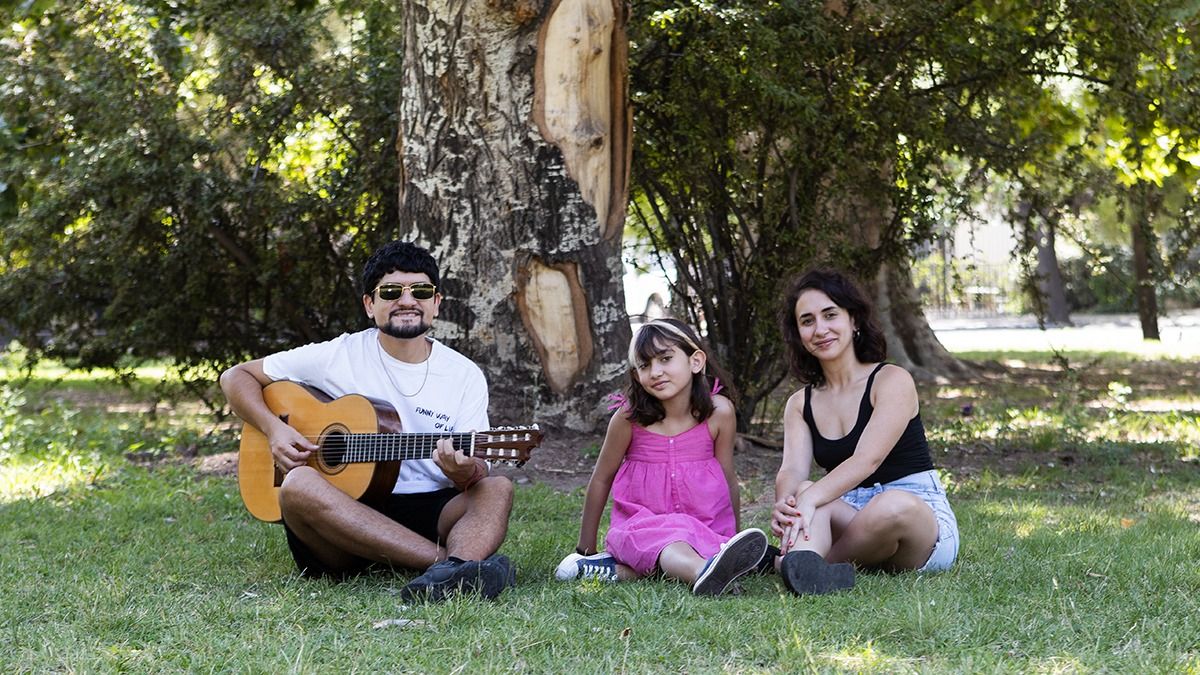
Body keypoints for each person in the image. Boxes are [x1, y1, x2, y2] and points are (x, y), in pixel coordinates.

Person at [220, 241, 515, 601]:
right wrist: (273, 428)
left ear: (436, 303)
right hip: (340, 521)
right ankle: (449, 568)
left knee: (496, 488)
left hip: (431, 509)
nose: (407, 301)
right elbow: (235, 377)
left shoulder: (464, 374)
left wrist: (462, 471)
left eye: (420, 291)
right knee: (296, 486)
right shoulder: (336, 355)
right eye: (391, 291)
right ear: (369, 304)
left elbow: (475, 472)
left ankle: (452, 571)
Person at [770, 268, 960, 595]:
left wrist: (810, 498)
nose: (820, 329)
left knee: (890, 504)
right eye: (807, 321)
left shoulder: (891, 380)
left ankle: (795, 564)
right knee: (803, 488)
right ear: (798, 333)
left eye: (830, 315)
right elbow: (791, 470)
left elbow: (867, 460)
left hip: (915, 519)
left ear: (854, 319)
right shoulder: (800, 404)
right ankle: (805, 567)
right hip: (850, 517)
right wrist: (788, 504)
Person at [555, 318, 767, 596]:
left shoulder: (719, 413)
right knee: (669, 542)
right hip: (641, 528)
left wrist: (733, 538)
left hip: (703, 527)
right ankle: (703, 573)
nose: (655, 371)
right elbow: (600, 479)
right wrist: (585, 546)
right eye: (644, 365)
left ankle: (606, 570)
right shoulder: (629, 419)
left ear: (696, 361)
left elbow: (727, 475)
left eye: (666, 359)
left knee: (675, 548)